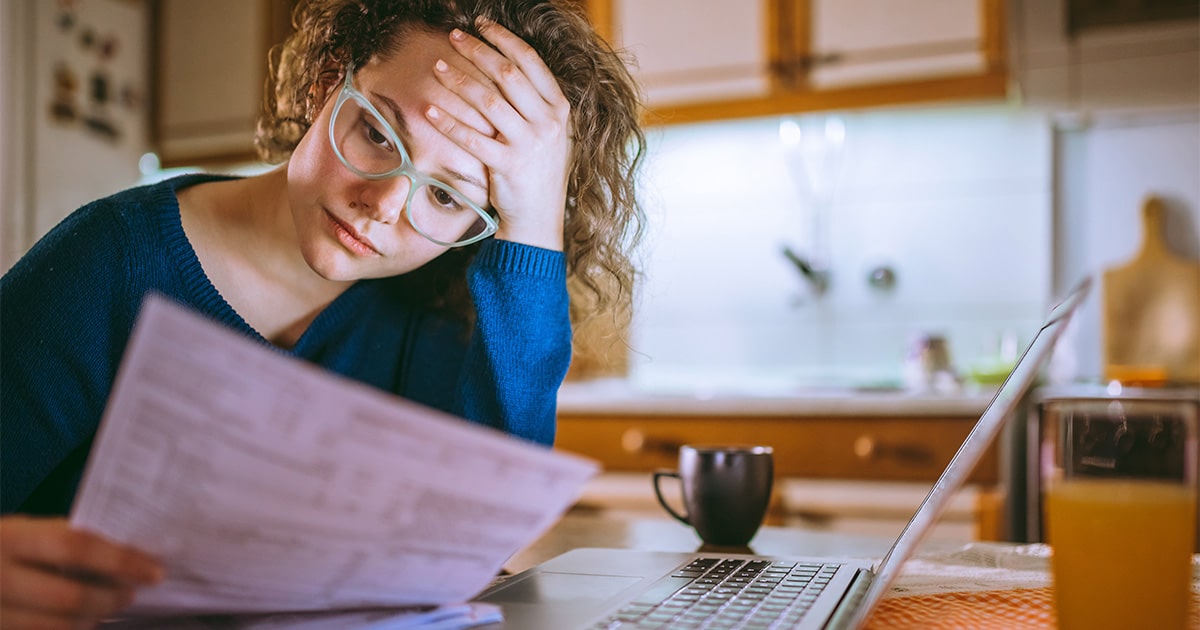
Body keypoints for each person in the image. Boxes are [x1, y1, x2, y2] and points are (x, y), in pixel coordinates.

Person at [0, 0, 645, 626]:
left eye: (447, 197)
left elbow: (483, 536)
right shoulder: (110, 262)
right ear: (323, 84)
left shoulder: (436, 312)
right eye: (376, 132)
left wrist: (533, 226)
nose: (385, 206)